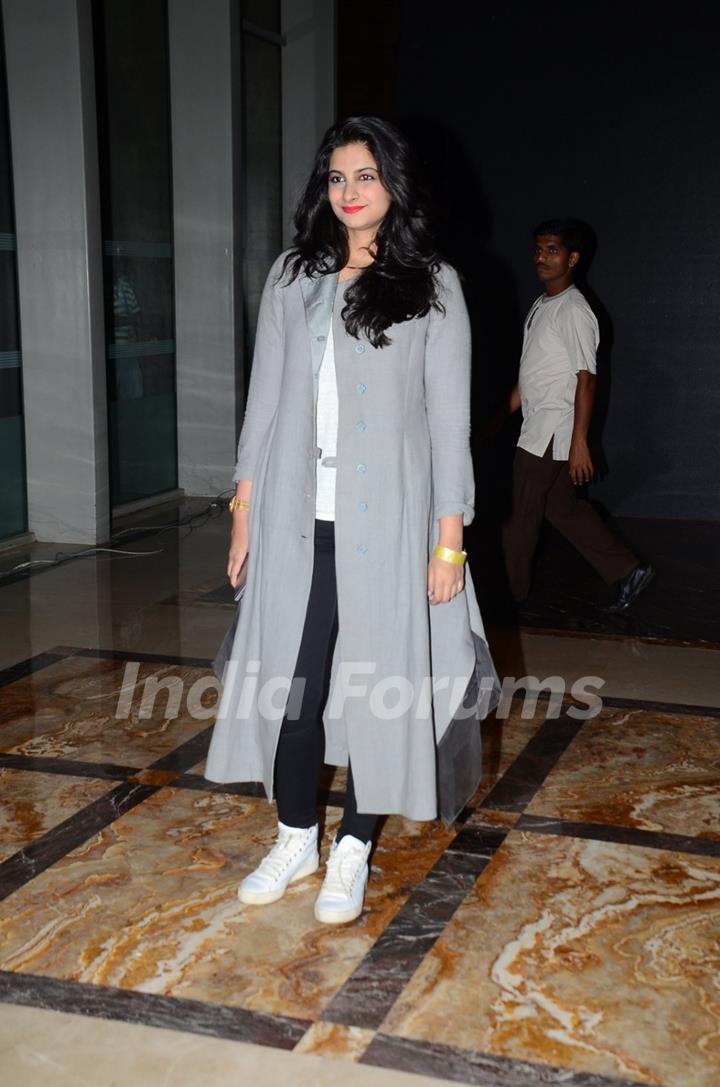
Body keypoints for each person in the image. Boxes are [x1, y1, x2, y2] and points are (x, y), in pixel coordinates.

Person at [205, 117, 498, 926]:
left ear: (393, 184)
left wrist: (450, 541)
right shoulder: (293, 278)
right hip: (301, 525)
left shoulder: (433, 283)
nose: (349, 192)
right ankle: (297, 833)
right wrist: (244, 513)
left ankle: (354, 848)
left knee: (380, 694)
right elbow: (262, 408)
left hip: (396, 531)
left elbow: (448, 426)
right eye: (336, 178)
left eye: (364, 176)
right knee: (295, 697)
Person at [498, 219, 654, 611]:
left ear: (572, 258)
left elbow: (587, 380)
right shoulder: (542, 304)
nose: (541, 257)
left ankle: (508, 600)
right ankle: (627, 569)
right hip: (539, 426)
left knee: (519, 518)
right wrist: (494, 422)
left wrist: (580, 443)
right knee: (561, 508)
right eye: (538, 249)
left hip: (552, 432)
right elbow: (531, 378)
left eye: (552, 250)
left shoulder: (575, 310)